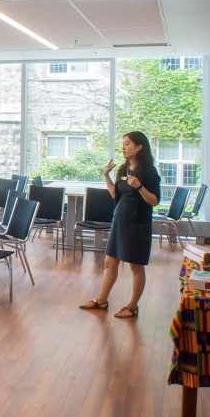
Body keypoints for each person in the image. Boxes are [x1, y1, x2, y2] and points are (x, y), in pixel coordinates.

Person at [80, 131, 161, 319]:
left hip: (137, 224)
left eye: (127, 144)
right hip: (120, 222)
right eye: (123, 144)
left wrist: (139, 186)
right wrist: (106, 176)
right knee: (110, 261)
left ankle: (132, 306)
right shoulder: (123, 169)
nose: (123, 147)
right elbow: (116, 194)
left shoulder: (149, 171)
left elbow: (154, 200)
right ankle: (101, 300)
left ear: (139, 147)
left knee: (135, 266)